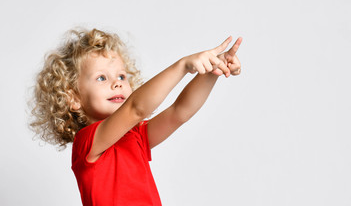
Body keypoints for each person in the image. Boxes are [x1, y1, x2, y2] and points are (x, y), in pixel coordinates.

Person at [30, 28, 242, 206]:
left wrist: (212, 71)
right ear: (73, 98)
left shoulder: (137, 136)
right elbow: (136, 109)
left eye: (122, 76)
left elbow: (180, 111)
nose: (117, 83)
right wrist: (182, 66)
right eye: (102, 78)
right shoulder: (86, 143)